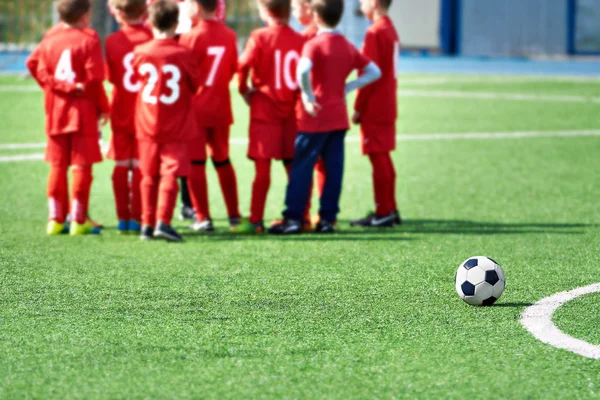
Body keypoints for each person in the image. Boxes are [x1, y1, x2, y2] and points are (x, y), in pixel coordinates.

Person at [269, 0, 381, 234]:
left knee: (301, 167)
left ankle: (293, 219)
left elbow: (302, 70)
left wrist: (308, 95)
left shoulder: (315, 44)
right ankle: (328, 219)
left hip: (315, 118)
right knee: (333, 170)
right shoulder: (347, 45)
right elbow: (374, 71)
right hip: (338, 117)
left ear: (315, 16)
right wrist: (350, 87)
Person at [26, 0, 109, 236]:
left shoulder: (50, 36)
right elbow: (93, 81)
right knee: (81, 165)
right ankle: (78, 221)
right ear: (85, 14)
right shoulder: (89, 37)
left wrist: (53, 87)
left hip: (55, 110)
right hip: (81, 111)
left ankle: (55, 220)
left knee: (57, 164)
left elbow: (33, 64)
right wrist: (103, 107)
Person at [132, 0, 201, 242]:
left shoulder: (140, 52)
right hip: (176, 122)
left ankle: (146, 225)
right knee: (171, 172)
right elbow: (195, 84)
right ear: (175, 23)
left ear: (150, 22)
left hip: (147, 121)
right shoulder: (182, 53)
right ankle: (163, 221)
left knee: (148, 174)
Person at [235, 0, 306, 233]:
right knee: (293, 167)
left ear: (265, 12)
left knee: (262, 168)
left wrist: (244, 90)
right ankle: (302, 217)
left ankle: (256, 220)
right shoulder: (300, 40)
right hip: (293, 110)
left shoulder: (259, 36)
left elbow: (242, 65)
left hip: (265, 108)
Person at [180, 0, 241, 232]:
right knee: (223, 160)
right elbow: (233, 69)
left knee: (196, 163)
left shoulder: (190, 37)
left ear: (196, 6)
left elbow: (185, 74)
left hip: (195, 109)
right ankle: (234, 215)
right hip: (221, 107)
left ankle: (203, 218)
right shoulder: (229, 35)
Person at [350, 0, 402, 227]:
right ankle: (390, 207)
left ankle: (383, 212)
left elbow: (368, 75)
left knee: (378, 157)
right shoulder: (389, 28)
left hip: (375, 105)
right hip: (388, 102)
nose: (360, 4)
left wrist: (358, 106)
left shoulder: (375, 32)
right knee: (384, 157)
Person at [105, 0, 153, 234]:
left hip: (121, 108)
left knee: (121, 165)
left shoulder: (112, 41)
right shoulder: (152, 36)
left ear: (116, 12)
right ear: (146, 11)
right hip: (147, 111)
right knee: (142, 165)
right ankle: (137, 216)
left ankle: (122, 218)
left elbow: (111, 78)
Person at [292, 0, 325, 227]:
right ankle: (324, 215)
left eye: (295, 7)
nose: (293, 12)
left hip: (308, 107)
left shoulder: (305, 38)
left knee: (306, 161)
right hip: (328, 106)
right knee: (323, 163)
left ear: (307, 7)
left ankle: (303, 214)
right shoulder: (327, 35)